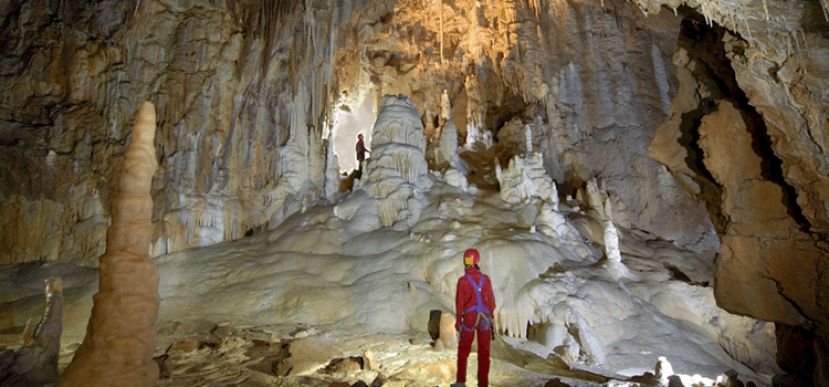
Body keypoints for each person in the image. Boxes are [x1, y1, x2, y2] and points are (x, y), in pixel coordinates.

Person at [453, 248, 496, 387]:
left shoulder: (463, 281)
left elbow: (459, 304)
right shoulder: (486, 279)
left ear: (465, 262)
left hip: (470, 319)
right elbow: (492, 303)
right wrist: (491, 318)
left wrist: (458, 322)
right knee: (484, 353)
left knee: (463, 350)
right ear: (477, 261)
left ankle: (461, 382)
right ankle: (483, 384)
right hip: (484, 319)